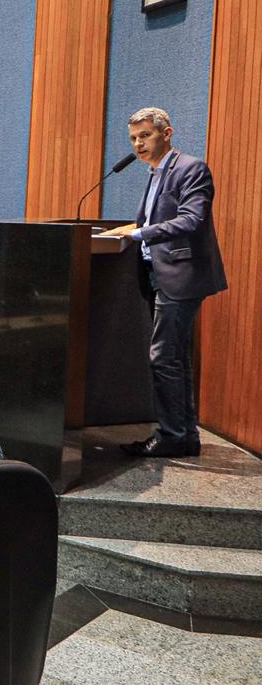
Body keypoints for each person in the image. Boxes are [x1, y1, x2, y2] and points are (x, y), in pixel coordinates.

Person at [106, 107, 228, 458]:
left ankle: (172, 435)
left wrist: (140, 232)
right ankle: (185, 436)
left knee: (163, 356)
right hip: (157, 274)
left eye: (145, 135)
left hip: (181, 275)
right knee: (174, 357)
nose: (138, 143)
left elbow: (191, 219)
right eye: (133, 138)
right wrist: (132, 229)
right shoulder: (154, 173)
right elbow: (152, 220)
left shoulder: (191, 168)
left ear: (167, 133)